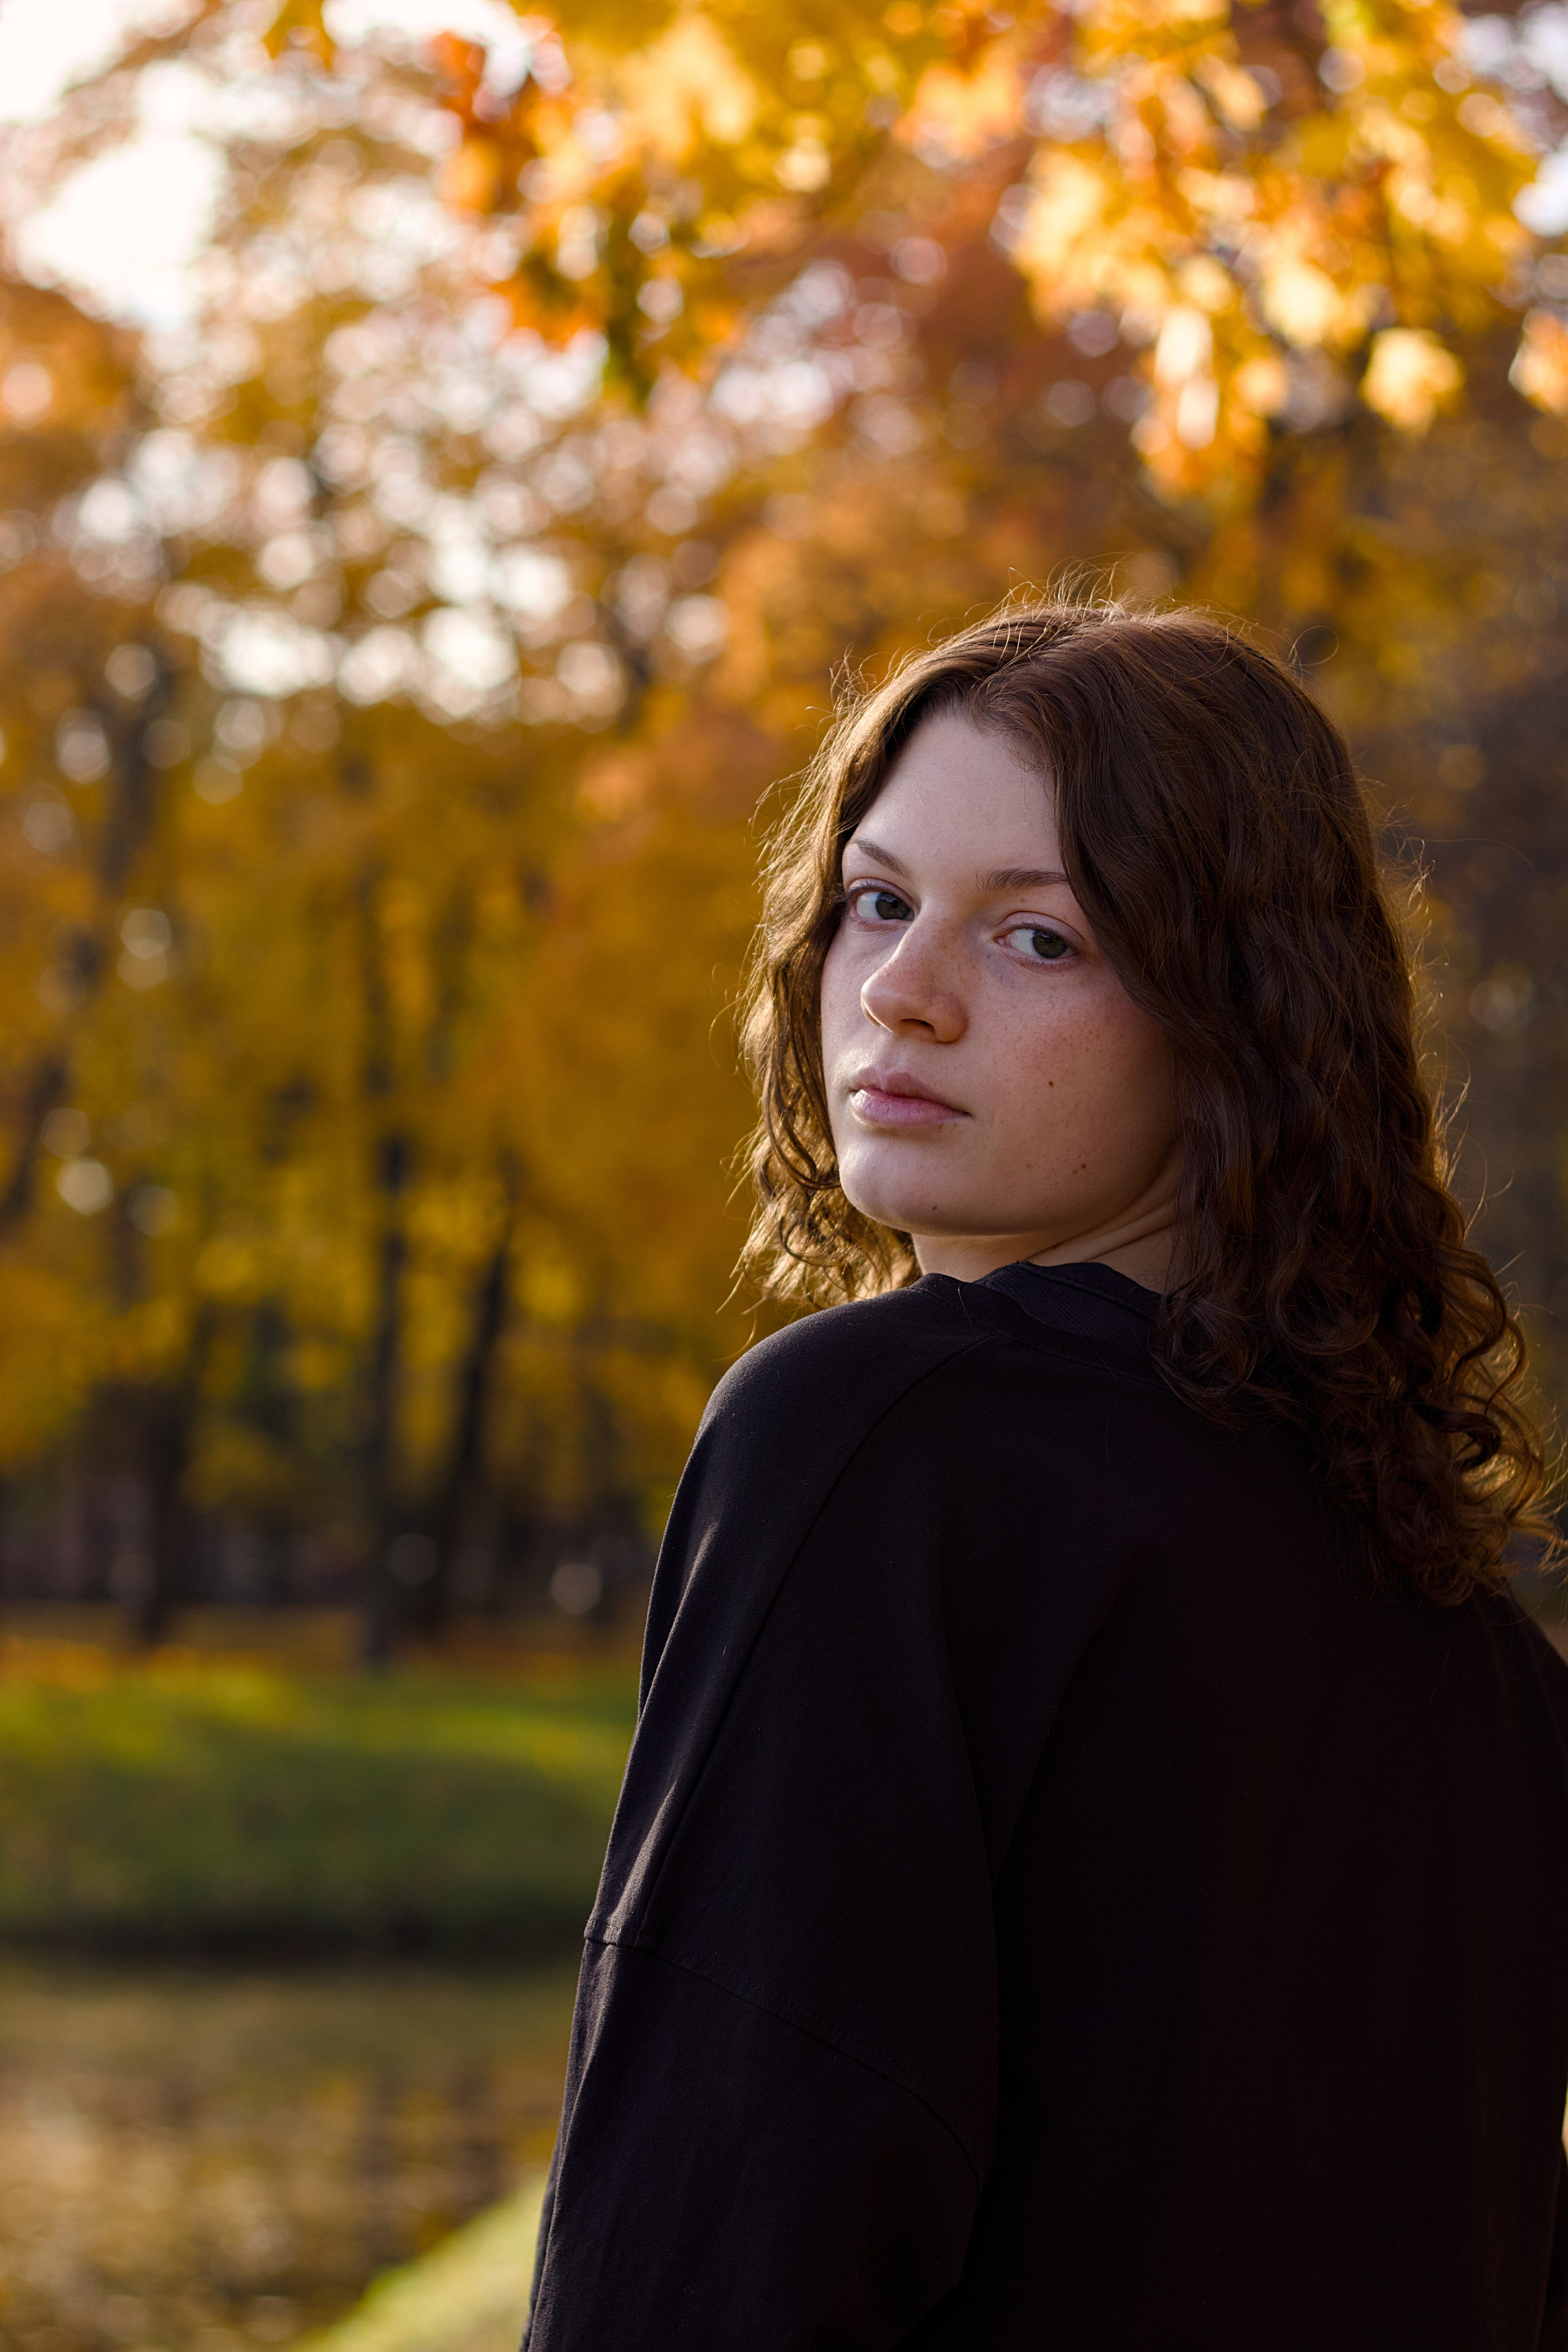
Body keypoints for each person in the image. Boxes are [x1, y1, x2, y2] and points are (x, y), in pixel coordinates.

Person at [522, 601, 1568, 2349]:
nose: (903, 996)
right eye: (878, 901)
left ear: (1237, 1014)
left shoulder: (881, 1447)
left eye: (1040, 939)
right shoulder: (1478, 1642)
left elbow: (710, 2232)